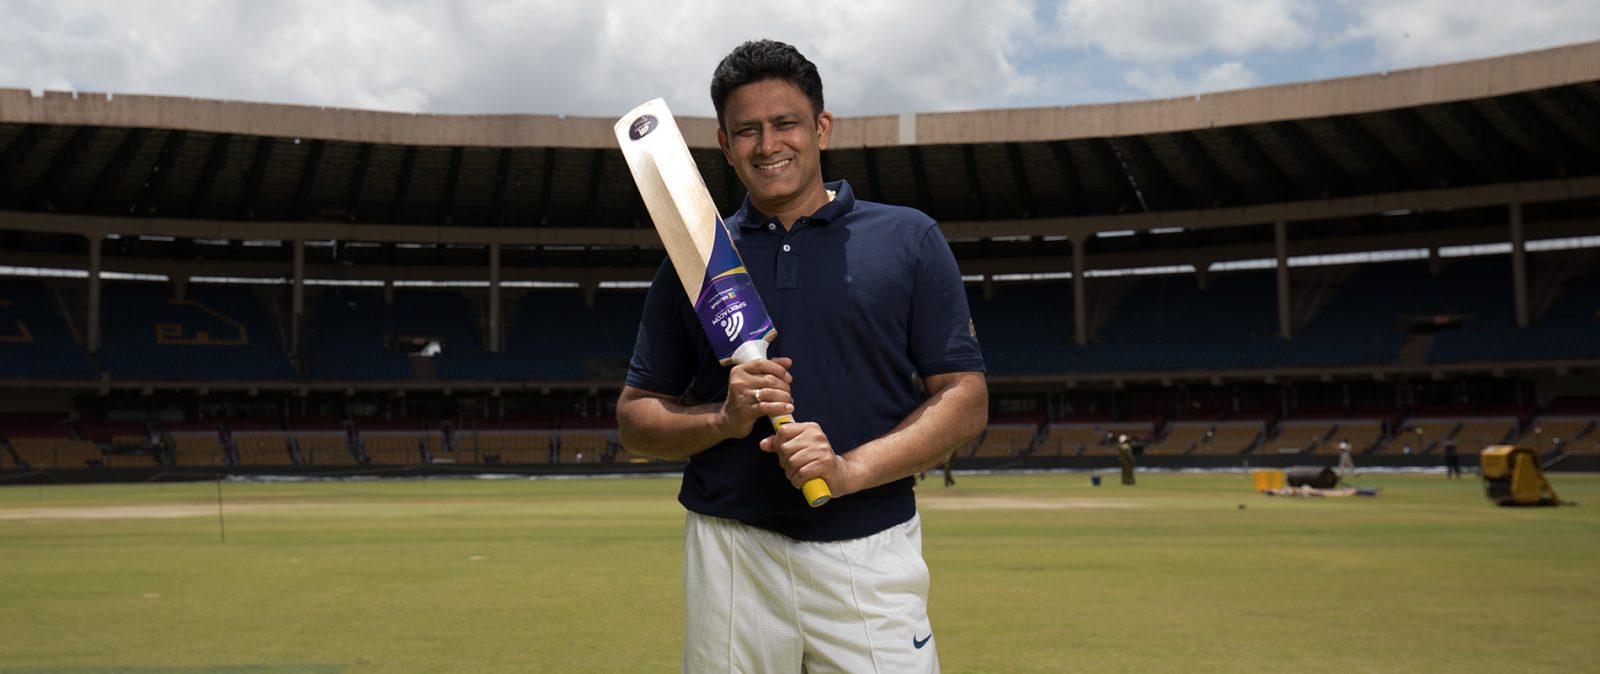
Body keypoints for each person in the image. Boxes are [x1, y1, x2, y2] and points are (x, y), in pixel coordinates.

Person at [616, 39, 988, 673]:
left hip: (870, 549)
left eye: (785, 123)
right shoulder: (696, 261)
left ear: (820, 127)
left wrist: (848, 469)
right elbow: (635, 418)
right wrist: (723, 420)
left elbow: (964, 398)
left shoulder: (907, 238)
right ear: (725, 145)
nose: (768, 144)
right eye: (747, 131)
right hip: (731, 550)